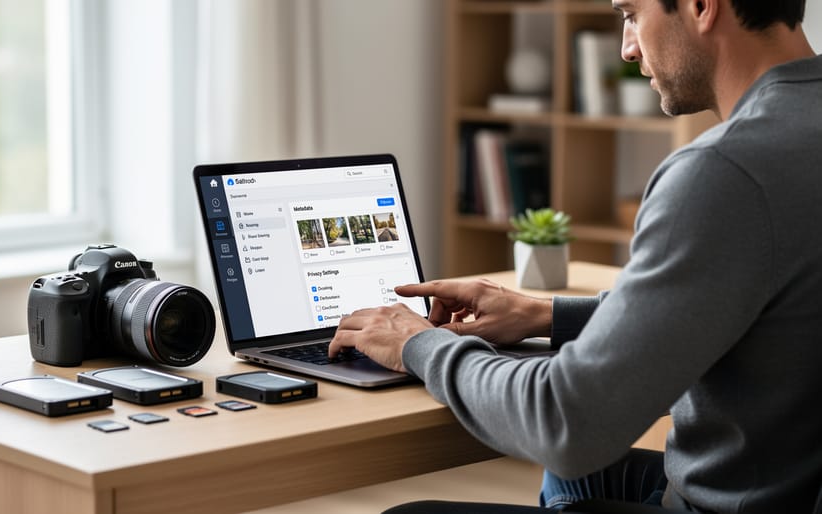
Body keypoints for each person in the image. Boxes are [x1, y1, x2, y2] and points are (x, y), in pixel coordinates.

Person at [329, 0, 822, 512]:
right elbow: (746, 306)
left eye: (632, 13)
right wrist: (545, 315)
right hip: (782, 484)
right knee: (579, 484)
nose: (628, 48)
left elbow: (567, 424)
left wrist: (420, 344)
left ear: (701, 7)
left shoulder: (724, 171)